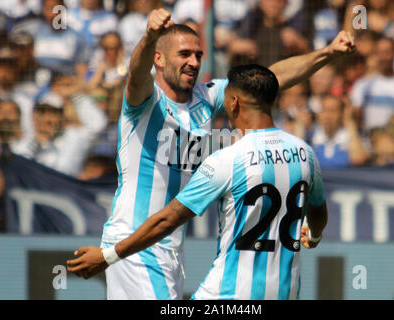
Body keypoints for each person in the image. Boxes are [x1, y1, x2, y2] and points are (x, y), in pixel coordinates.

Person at [76, 8, 354, 300]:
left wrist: (327, 53)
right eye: (184, 54)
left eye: (198, 55)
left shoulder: (205, 97)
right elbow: (135, 74)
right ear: (159, 58)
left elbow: (269, 80)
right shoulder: (144, 101)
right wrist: (149, 37)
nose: (194, 62)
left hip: (169, 246)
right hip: (134, 243)